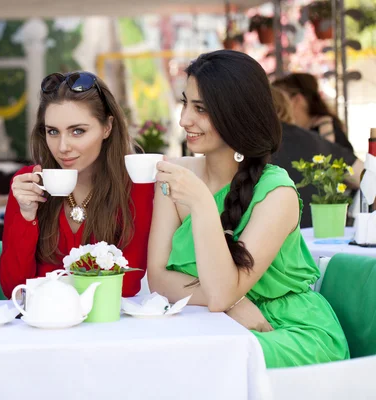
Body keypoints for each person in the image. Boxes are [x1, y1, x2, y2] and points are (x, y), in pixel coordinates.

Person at [148, 50, 349, 368]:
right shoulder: (175, 175)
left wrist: (201, 203)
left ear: (236, 114)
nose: (185, 119)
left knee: (209, 362)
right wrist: (233, 303)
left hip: (288, 331)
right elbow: (158, 279)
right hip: (213, 324)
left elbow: (221, 292)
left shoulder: (275, 192)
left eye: (200, 108)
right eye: (185, 103)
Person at [0, 72, 154, 298]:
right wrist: (26, 215)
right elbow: (14, 288)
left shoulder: (135, 184)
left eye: (77, 131)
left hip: (108, 327)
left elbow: (128, 283)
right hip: (44, 327)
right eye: (53, 131)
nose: (63, 146)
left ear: (107, 127)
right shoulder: (28, 183)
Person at [270, 86, 363, 227]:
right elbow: (364, 177)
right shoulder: (312, 140)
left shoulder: (242, 144)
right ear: (286, 107)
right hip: (319, 236)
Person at [273, 72, 354, 152]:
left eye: (281, 100)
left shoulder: (325, 129)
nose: (277, 108)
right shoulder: (306, 130)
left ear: (298, 99)